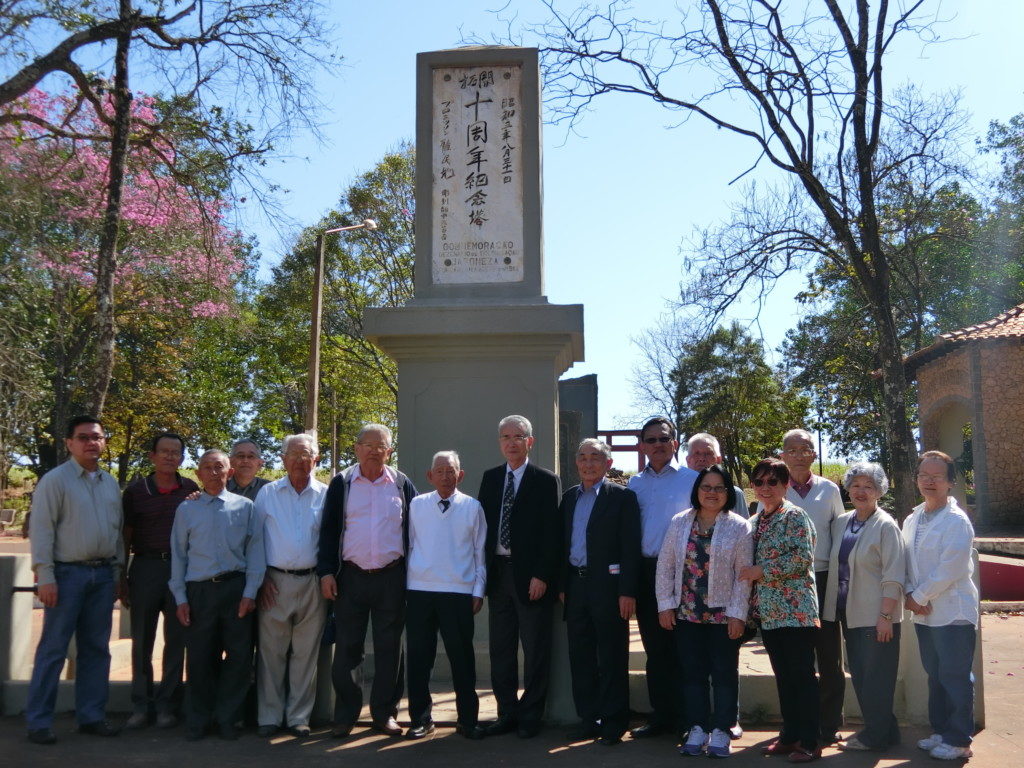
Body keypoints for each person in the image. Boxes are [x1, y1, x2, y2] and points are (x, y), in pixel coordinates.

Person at [26, 415, 124, 745]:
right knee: (53, 650)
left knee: (96, 650)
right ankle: (39, 721)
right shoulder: (55, 481)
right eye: (83, 437)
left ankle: (91, 716)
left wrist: (117, 573)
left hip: (102, 575)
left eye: (97, 437)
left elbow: (117, 532)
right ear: (69, 443)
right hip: (66, 575)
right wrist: (45, 575)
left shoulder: (110, 483)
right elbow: (42, 531)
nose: (91, 443)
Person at [318, 423, 417, 738]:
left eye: (381, 445)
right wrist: (326, 573)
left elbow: (415, 533)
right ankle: (346, 715)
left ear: (390, 450)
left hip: (392, 577)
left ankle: (384, 714)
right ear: (357, 448)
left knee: (390, 649)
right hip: (351, 577)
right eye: (368, 445)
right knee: (348, 649)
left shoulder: (401, 484)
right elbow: (329, 530)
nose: (375, 450)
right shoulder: (342, 483)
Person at [656, 464, 752, 758]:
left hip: (723, 615)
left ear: (728, 493)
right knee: (692, 673)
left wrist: (738, 614)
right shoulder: (680, 522)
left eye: (718, 488)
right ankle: (696, 726)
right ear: (697, 491)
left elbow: (743, 575)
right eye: (706, 487)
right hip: (687, 612)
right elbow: (666, 566)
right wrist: (665, 605)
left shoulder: (738, 526)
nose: (712, 493)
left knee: (723, 673)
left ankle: (721, 730)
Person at [169, 449, 265, 741]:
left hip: (235, 589)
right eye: (207, 467)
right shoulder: (187, 509)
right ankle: (199, 718)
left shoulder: (246, 507)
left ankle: (228, 718)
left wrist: (250, 592)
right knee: (199, 658)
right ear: (197, 474)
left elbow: (256, 551)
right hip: (199, 591)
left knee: (238, 658)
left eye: (219, 467)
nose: (213, 472)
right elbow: (178, 555)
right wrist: (181, 598)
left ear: (230, 472)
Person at [479, 414, 561, 739]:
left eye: (518, 437)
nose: (511, 443)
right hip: (497, 574)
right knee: (501, 649)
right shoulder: (490, 478)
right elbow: (481, 529)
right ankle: (506, 713)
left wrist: (542, 574)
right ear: (500, 442)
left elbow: (552, 534)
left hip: (530, 578)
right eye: (505, 437)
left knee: (535, 649)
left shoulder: (545, 480)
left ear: (530, 442)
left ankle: (530, 715)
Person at [560, 439, 641, 746]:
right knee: (580, 657)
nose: (588, 463)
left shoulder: (622, 497)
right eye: (582, 457)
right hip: (576, 586)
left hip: (609, 588)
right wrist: (562, 586)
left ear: (607, 464)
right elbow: (561, 542)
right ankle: (588, 719)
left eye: (595, 457)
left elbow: (630, 546)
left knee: (611, 656)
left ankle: (613, 722)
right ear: (576, 463)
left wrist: (627, 591)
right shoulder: (569, 498)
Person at [740, 458, 821, 763]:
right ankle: (789, 736)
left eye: (772, 482)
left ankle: (811, 741)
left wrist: (762, 570)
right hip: (771, 614)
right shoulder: (757, 520)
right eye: (759, 482)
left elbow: (802, 559)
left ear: (786, 485)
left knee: (802, 677)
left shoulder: (795, 516)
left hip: (797, 612)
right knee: (784, 678)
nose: (765, 488)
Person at [821, 462, 905, 752]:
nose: (861, 491)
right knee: (862, 674)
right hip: (848, 613)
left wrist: (885, 616)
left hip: (876, 616)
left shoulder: (886, 525)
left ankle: (874, 737)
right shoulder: (843, 522)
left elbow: (894, 574)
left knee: (876, 679)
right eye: (855, 485)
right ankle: (887, 732)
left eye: (868, 486)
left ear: (879, 490)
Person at [404, 451, 487, 741]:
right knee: (418, 658)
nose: (445, 476)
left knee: (462, 659)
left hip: (458, 592)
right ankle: (420, 719)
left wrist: (478, 589)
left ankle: (468, 720)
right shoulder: (416, 505)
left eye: (450, 471)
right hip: (420, 591)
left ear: (460, 475)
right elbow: (410, 547)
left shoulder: (472, 507)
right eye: (439, 471)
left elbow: (480, 552)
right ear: (430, 476)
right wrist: (407, 587)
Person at [903, 451, 979, 761]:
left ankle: (959, 739)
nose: (929, 481)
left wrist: (918, 597)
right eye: (924, 475)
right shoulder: (913, 518)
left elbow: (951, 568)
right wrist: (911, 592)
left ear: (950, 482)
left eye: (936, 476)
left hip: (952, 612)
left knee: (955, 676)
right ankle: (942, 731)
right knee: (934, 674)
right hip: (924, 614)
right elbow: (905, 561)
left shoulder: (956, 521)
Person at [626, 416, 698, 740]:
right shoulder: (634, 484)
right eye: (650, 440)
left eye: (663, 439)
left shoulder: (693, 480)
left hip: (682, 572)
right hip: (645, 571)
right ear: (642, 446)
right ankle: (661, 715)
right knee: (655, 648)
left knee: (682, 647)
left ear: (675, 444)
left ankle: (687, 718)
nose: (657, 445)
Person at [122, 432, 199, 730]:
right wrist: (122, 576)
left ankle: (168, 705)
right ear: (152, 456)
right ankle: (141, 705)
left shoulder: (191, 490)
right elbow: (125, 535)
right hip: (144, 568)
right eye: (164, 451)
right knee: (142, 640)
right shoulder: (136, 491)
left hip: (180, 571)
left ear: (182, 458)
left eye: (175, 452)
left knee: (176, 641)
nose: (169, 456)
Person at [253, 434, 328, 738]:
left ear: (316, 459)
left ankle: (298, 717)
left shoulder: (326, 494)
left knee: (305, 655)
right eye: (294, 454)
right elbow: (254, 540)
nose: (300, 460)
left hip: (313, 582)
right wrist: (259, 580)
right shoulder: (267, 494)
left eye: (306, 454)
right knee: (271, 653)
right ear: (283, 459)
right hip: (274, 582)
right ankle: (269, 716)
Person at [776, 428, 845, 745]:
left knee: (829, 655)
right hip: (787, 582)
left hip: (823, 577)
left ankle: (829, 724)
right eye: (792, 449)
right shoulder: (776, 489)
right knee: (794, 658)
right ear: (782, 455)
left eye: (806, 448)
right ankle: (797, 724)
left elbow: (840, 533)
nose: (800, 454)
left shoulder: (829, 490)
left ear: (815, 454)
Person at [685, 433, 748, 518]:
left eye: (708, 453)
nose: (702, 458)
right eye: (697, 453)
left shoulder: (735, 494)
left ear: (718, 459)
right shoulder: (678, 491)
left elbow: (745, 529)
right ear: (688, 460)